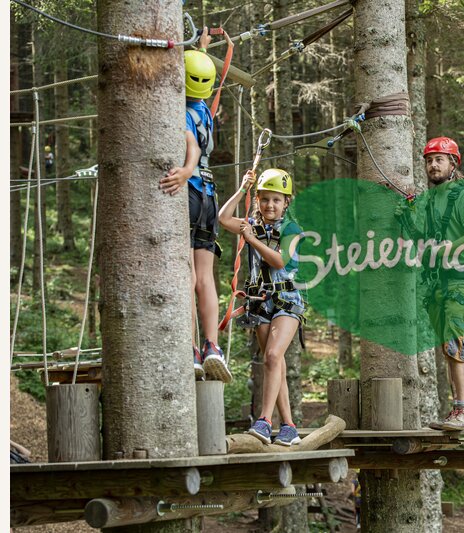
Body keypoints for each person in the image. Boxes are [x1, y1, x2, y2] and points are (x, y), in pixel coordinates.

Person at [160, 30, 232, 383]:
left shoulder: (181, 110)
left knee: (187, 276)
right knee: (205, 277)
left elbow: (189, 144)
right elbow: (200, 75)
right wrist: (201, 50)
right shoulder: (205, 107)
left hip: (190, 191)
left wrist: (185, 170)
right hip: (210, 195)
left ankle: (190, 347)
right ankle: (212, 346)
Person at [219, 168, 307, 446]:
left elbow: (280, 261)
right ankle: (289, 426)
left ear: (286, 202)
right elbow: (222, 218)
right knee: (273, 362)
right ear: (258, 200)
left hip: (287, 301)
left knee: (272, 356)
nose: (270, 205)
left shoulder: (292, 229)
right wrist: (243, 189)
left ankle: (265, 421)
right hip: (261, 303)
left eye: (276, 200)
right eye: (265, 199)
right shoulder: (252, 225)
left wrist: (252, 240)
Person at [413, 136, 464, 430]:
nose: (433, 165)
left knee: (458, 346)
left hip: (461, 280)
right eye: (429, 160)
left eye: (439, 160)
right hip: (437, 282)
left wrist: (444, 249)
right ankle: (457, 410)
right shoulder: (431, 198)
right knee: (447, 348)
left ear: (453, 164)